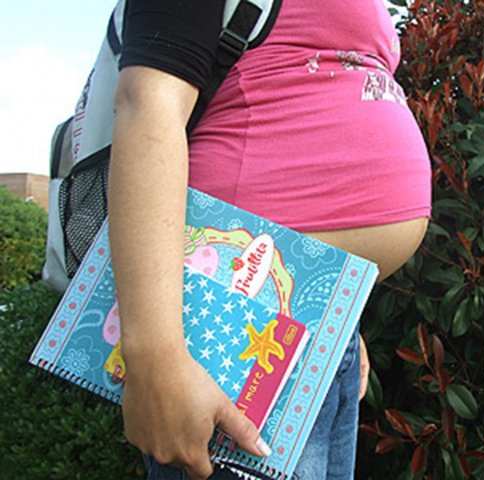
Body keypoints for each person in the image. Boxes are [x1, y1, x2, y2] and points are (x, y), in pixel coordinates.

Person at [108, 0, 432, 479]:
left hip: (315, 317)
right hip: (233, 319)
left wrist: (334, 304)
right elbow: (148, 106)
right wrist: (156, 357)